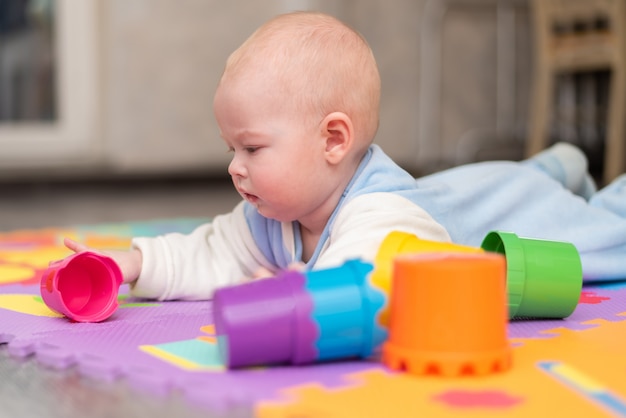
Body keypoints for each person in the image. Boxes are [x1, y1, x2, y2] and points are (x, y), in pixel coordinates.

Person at [64, 11, 626, 301]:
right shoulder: (275, 215)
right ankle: (559, 163)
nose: (234, 166)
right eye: (231, 148)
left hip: (507, 208)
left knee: (603, 226)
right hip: (466, 186)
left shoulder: (381, 218)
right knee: (492, 181)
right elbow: (210, 254)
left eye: (253, 147)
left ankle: (562, 173)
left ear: (334, 140)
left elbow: (356, 286)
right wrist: (128, 267)